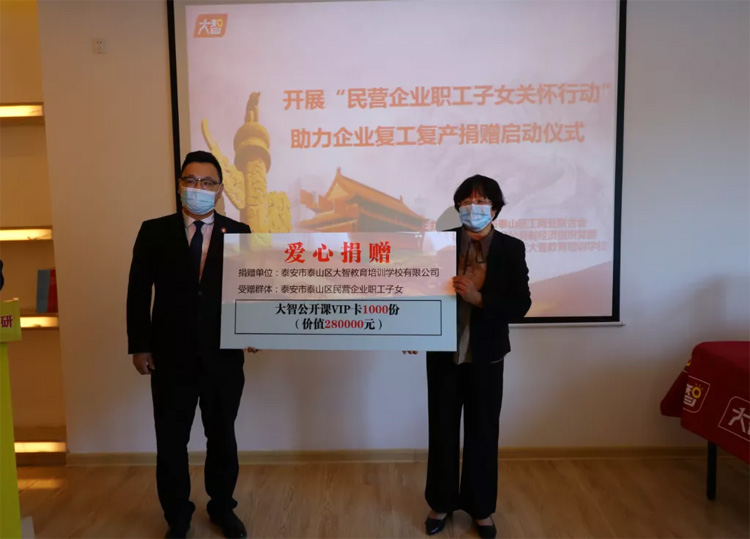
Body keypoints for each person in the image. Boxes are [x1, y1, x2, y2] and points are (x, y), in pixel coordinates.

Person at [127, 151, 255, 539]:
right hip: (170, 357)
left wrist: (256, 331)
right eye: (191, 180)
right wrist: (139, 345)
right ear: (179, 185)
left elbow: (251, 289)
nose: (198, 188)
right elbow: (138, 292)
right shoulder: (154, 231)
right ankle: (177, 516)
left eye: (207, 182)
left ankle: (222, 507)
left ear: (220, 190)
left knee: (222, 437)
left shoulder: (240, 232)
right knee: (171, 442)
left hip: (223, 356)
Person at [406, 175, 531, 538]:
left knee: (483, 432)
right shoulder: (440, 244)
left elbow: (521, 304)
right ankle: (440, 502)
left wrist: (479, 299)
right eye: (466, 201)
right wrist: (411, 329)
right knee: (442, 430)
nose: (473, 207)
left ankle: (481, 508)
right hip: (443, 355)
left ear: (495, 208)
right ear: (457, 206)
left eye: (481, 201)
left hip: (486, 356)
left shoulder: (511, 248)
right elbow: (419, 291)